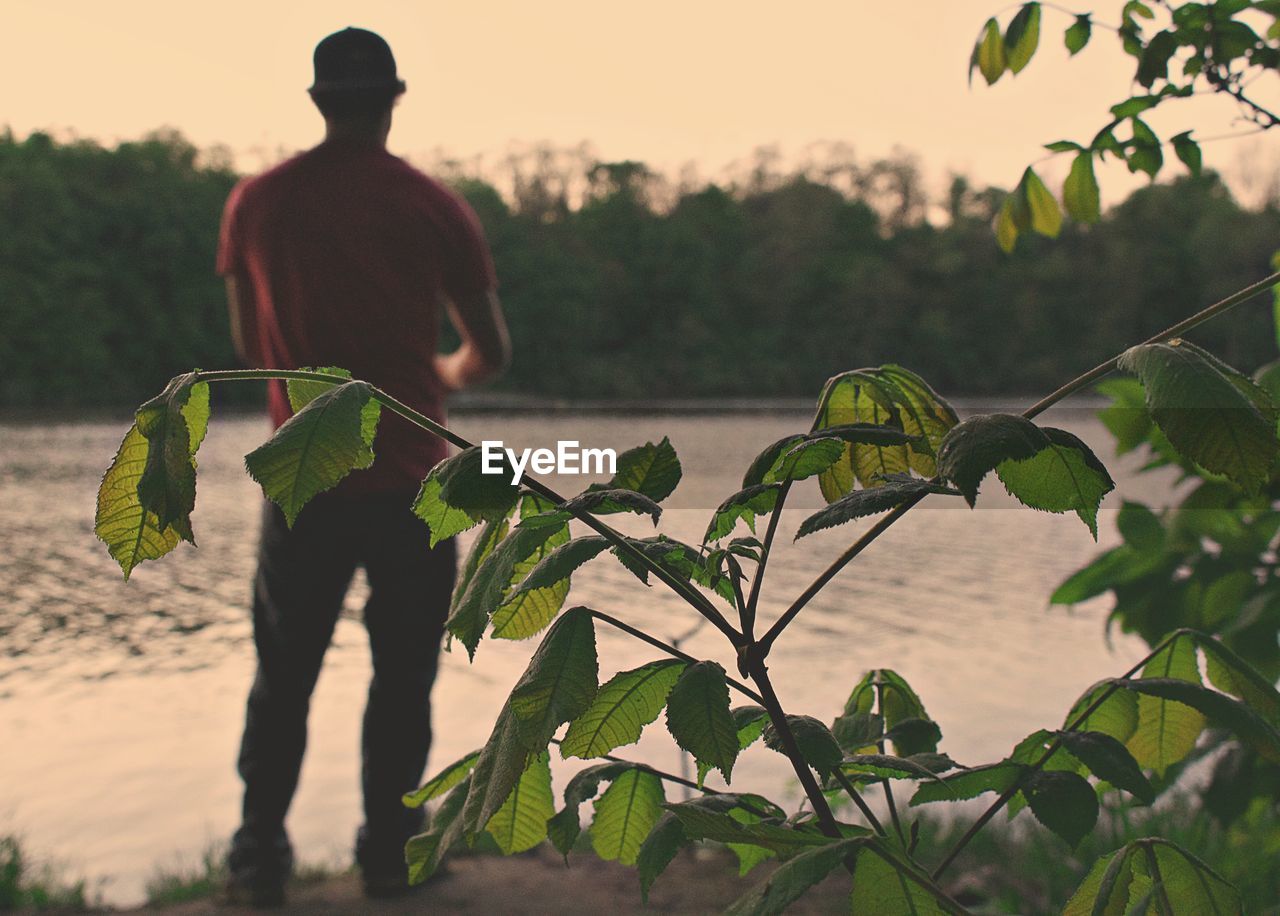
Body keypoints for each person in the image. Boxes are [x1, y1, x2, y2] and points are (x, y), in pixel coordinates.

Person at [215, 26, 510, 906]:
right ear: (392, 100)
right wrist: (446, 376)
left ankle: (257, 860)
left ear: (316, 102)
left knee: (284, 674)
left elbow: (246, 347)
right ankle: (389, 856)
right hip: (419, 483)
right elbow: (488, 350)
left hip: (302, 482)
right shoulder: (436, 207)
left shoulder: (256, 205)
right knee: (404, 675)